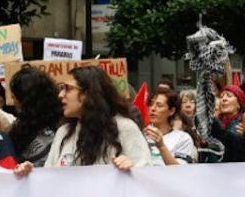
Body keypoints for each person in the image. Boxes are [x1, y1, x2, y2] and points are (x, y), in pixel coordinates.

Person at [30, 67, 159, 171]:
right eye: (61, 88)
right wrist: (30, 173)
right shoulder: (64, 132)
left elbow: (145, 174)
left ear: (88, 93)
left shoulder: (124, 127)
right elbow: (49, 177)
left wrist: (131, 168)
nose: (60, 95)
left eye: (67, 88)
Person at [4, 66, 62, 167]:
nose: (14, 102)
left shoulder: (60, 131)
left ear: (25, 101)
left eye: (15, 97)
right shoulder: (21, 126)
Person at [144, 85, 199, 164]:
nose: (153, 109)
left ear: (171, 111)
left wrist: (161, 146)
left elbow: (180, 171)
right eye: (151, 104)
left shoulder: (183, 139)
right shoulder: (141, 136)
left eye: (159, 105)